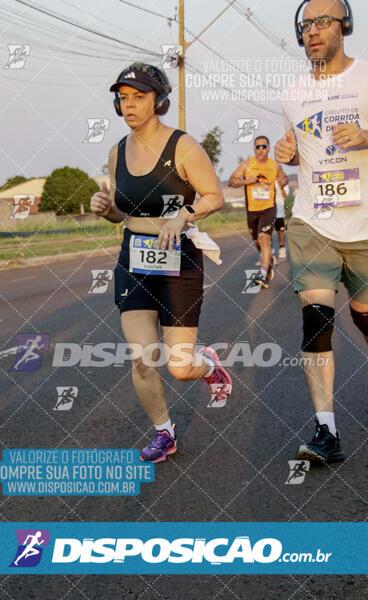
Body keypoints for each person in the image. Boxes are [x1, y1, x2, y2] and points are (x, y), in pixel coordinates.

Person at [90, 63, 232, 463]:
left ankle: (208, 368)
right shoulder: (116, 151)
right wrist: (105, 210)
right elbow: (122, 212)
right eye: (123, 98)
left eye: (139, 97)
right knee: (143, 358)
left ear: (159, 100)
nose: (129, 105)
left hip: (179, 259)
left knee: (179, 367)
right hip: (134, 258)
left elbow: (213, 195)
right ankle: (164, 432)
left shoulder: (182, 146)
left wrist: (184, 213)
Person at [275, 0, 368, 462]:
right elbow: (297, 147)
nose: (313, 30)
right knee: (316, 322)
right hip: (313, 220)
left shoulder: (367, 77)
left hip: (366, 225)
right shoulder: (292, 93)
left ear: (345, 26)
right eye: (306, 24)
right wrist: (288, 152)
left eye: (323, 21)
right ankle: (325, 432)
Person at [228, 136, 288, 287]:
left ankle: (263, 274)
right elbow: (231, 181)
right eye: (257, 147)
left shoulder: (274, 165)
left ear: (268, 148)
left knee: (264, 239)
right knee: (257, 241)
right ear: (254, 149)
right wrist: (247, 181)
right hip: (252, 210)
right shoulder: (247, 165)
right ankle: (269, 261)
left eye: (263, 146)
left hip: (268, 208)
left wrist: (283, 181)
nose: (260, 150)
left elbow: (284, 177)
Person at [274, 179, 290, 259]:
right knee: (266, 232)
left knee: (280, 231)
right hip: (267, 210)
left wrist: (281, 186)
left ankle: (282, 248)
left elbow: (284, 195)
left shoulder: (283, 182)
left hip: (279, 211)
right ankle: (269, 250)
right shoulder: (267, 180)